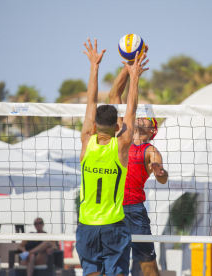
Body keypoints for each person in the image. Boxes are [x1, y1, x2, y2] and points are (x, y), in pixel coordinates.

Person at [75, 38, 149, 276]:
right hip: (113, 226)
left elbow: (91, 101)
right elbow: (131, 109)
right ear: (116, 129)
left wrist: (94, 66)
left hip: (87, 224)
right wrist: (135, 77)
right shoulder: (121, 146)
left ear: (94, 127)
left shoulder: (87, 141)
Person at [108, 45, 168, 276]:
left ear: (152, 129)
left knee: (147, 264)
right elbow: (115, 95)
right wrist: (130, 66)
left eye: (146, 119)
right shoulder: (122, 134)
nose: (140, 119)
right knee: (114, 264)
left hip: (133, 209)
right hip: (111, 208)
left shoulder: (151, 150)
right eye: (139, 116)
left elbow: (162, 178)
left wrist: (160, 173)